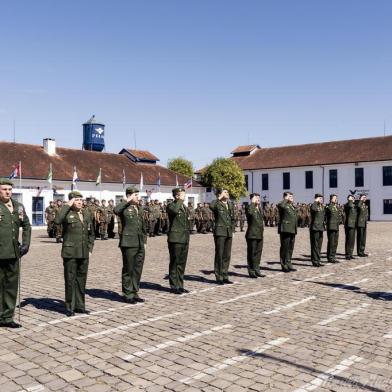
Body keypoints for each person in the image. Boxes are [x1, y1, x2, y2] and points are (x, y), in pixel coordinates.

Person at [55, 191, 95, 317]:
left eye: (80, 200)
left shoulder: (86, 213)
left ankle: (80, 306)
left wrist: (90, 248)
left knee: (81, 280)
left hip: (84, 252)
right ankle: (69, 307)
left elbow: (91, 233)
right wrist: (67, 205)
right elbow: (57, 221)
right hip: (70, 252)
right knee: (70, 279)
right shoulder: (66, 213)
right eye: (76, 200)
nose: (80, 202)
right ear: (71, 201)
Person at [0, 178, 31, 328]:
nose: (7, 192)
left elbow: (26, 225)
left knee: (11, 287)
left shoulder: (19, 207)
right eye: (4, 189)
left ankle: (7, 318)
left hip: (13, 252)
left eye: (9, 189)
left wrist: (25, 244)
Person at [114, 187, 147, 304]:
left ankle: (134, 291)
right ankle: (127, 294)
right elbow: (116, 210)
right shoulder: (124, 207)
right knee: (128, 268)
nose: (138, 197)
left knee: (138, 269)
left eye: (138, 195)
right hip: (128, 242)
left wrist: (145, 241)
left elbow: (143, 226)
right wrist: (127, 200)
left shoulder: (139, 208)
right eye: (136, 195)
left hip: (139, 243)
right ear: (129, 195)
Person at [167, 188, 191, 294]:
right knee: (175, 262)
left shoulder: (184, 207)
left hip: (184, 238)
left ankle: (180, 284)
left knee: (182, 263)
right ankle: (174, 285)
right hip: (175, 238)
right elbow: (175, 211)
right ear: (176, 196)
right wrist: (179, 201)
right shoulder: (171, 206)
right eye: (182, 195)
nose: (184, 197)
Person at [209, 189, 236, 284]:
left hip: (228, 232)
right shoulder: (217, 203)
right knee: (219, 254)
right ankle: (219, 276)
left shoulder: (230, 204)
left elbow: (233, 218)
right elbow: (211, 206)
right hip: (220, 231)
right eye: (225, 192)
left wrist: (232, 230)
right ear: (220, 194)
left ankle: (225, 274)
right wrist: (219, 198)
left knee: (227, 255)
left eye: (228, 192)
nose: (227, 193)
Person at [245, 193, 265, 278]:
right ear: (252, 199)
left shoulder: (259, 209)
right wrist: (252, 203)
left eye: (259, 198)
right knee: (252, 253)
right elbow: (249, 213)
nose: (258, 199)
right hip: (252, 234)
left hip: (259, 234)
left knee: (258, 253)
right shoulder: (249, 207)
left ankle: (257, 269)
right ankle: (251, 270)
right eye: (256, 198)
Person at [277, 192, 297, 273]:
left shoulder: (291, 206)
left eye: (292, 196)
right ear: (285, 197)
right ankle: (284, 265)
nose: (292, 197)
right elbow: (280, 205)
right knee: (285, 247)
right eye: (290, 196)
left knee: (290, 248)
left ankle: (288, 263)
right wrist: (285, 199)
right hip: (285, 229)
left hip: (292, 229)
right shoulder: (283, 205)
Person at [309, 194, 325, 267]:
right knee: (315, 245)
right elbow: (313, 209)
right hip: (315, 228)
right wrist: (315, 201)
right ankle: (315, 261)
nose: (321, 200)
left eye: (322, 198)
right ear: (316, 199)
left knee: (319, 245)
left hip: (320, 228)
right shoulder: (314, 205)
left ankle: (318, 260)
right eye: (320, 198)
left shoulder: (321, 206)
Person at [325, 194, 340, 263]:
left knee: (335, 242)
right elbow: (326, 215)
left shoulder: (335, 207)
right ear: (331, 199)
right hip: (331, 227)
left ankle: (333, 256)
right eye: (334, 198)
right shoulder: (329, 206)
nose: (336, 199)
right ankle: (330, 257)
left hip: (336, 226)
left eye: (336, 198)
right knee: (331, 242)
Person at [344, 195, 357, 260]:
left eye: (353, 198)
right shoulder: (347, 205)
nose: (353, 199)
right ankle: (347, 254)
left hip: (353, 224)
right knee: (349, 240)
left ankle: (350, 254)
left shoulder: (354, 205)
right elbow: (349, 206)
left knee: (352, 240)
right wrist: (350, 200)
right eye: (352, 198)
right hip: (349, 225)